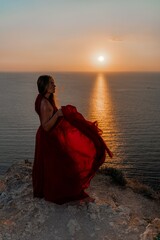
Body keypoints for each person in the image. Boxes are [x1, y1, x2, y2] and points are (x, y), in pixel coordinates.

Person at [32, 75, 113, 204]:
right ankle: (72, 193)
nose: (54, 85)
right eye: (52, 83)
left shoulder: (43, 99)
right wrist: (58, 114)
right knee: (65, 164)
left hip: (47, 138)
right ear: (45, 86)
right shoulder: (44, 103)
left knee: (52, 166)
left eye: (54, 83)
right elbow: (46, 126)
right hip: (48, 139)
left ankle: (53, 190)